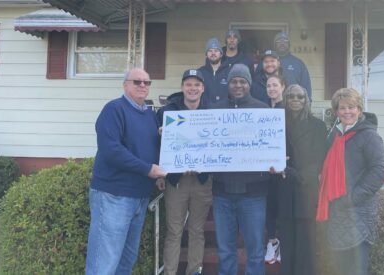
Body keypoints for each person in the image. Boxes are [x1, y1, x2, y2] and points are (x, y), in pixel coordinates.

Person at [85, 68, 167, 274]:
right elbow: (111, 150)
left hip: (139, 196)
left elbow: (150, 148)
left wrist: (157, 173)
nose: (142, 86)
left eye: (147, 83)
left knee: (125, 261)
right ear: (125, 85)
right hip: (114, 195)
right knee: (104, 262)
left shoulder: (150, 115)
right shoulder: (114, 109)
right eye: (137, 81)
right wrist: (147, 169)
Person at [316, 88, 384, 275]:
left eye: (351, 107)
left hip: (358, 212)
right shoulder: (335, 135)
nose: (347, 112)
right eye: (342, 108)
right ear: (336, 111)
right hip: (338, 211)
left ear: (359, 110)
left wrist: (351, 198)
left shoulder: (369, 136)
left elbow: (379, 171)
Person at [210, 64, 270, 275]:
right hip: (221, 193)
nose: (238, 85)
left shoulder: (263, 110)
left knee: (255, 250)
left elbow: (270, 146)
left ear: (249, 84)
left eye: (242, 81)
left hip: (253, 194)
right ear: (228, 84)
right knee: (226, 250)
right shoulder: (214, 111)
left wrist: (275, 160)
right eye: (234, 81)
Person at [156, 69, 212, 275]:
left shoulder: (212, 113)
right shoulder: (166, 113)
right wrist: (160, 174)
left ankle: (194, 271)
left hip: (202, 180)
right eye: (188, 84)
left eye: (197, 85)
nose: (192, 88)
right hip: (176, 181)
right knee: (174, 231)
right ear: (182, 87)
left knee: (197, 231)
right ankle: (169, 272)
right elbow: (156, 147)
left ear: (203, 89)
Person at [277, 84, 327, 275]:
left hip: (306, 190)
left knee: (306, 247)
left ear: (307, 100)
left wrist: (298, 174)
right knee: (287, 244)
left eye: (300, 97)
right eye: (291, 96)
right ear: (285, 99)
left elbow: (319, 158)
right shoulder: (277, 124)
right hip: (283, 189)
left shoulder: (318, 126)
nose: (296, 100)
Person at [263, 74, 287, 265]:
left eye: (275, 85)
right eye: (269, 85)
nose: (271, 88)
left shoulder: (288, 108)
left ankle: (283, 245)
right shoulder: (262, 108)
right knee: (269, 205)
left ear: (283, 87)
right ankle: (272, 241)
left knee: (282, 205)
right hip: (265, 166)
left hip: (284, 167)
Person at [273, 32, 313, 100]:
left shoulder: (299, 63)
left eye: (285, 41)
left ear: (289, 44)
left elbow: (306, 87)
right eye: (279, 41)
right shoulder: (268, 63)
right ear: (275, 45)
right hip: (272, 106)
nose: (282, 43)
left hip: (293, 104)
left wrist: (307, 104)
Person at [199, 37, 230, 106]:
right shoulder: (200, 72)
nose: (213, 53)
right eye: (210, 51)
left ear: (221, 54)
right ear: (206, 54)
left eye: (216, 50)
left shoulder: (229, 72)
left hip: (224, 112)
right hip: (206, 113)